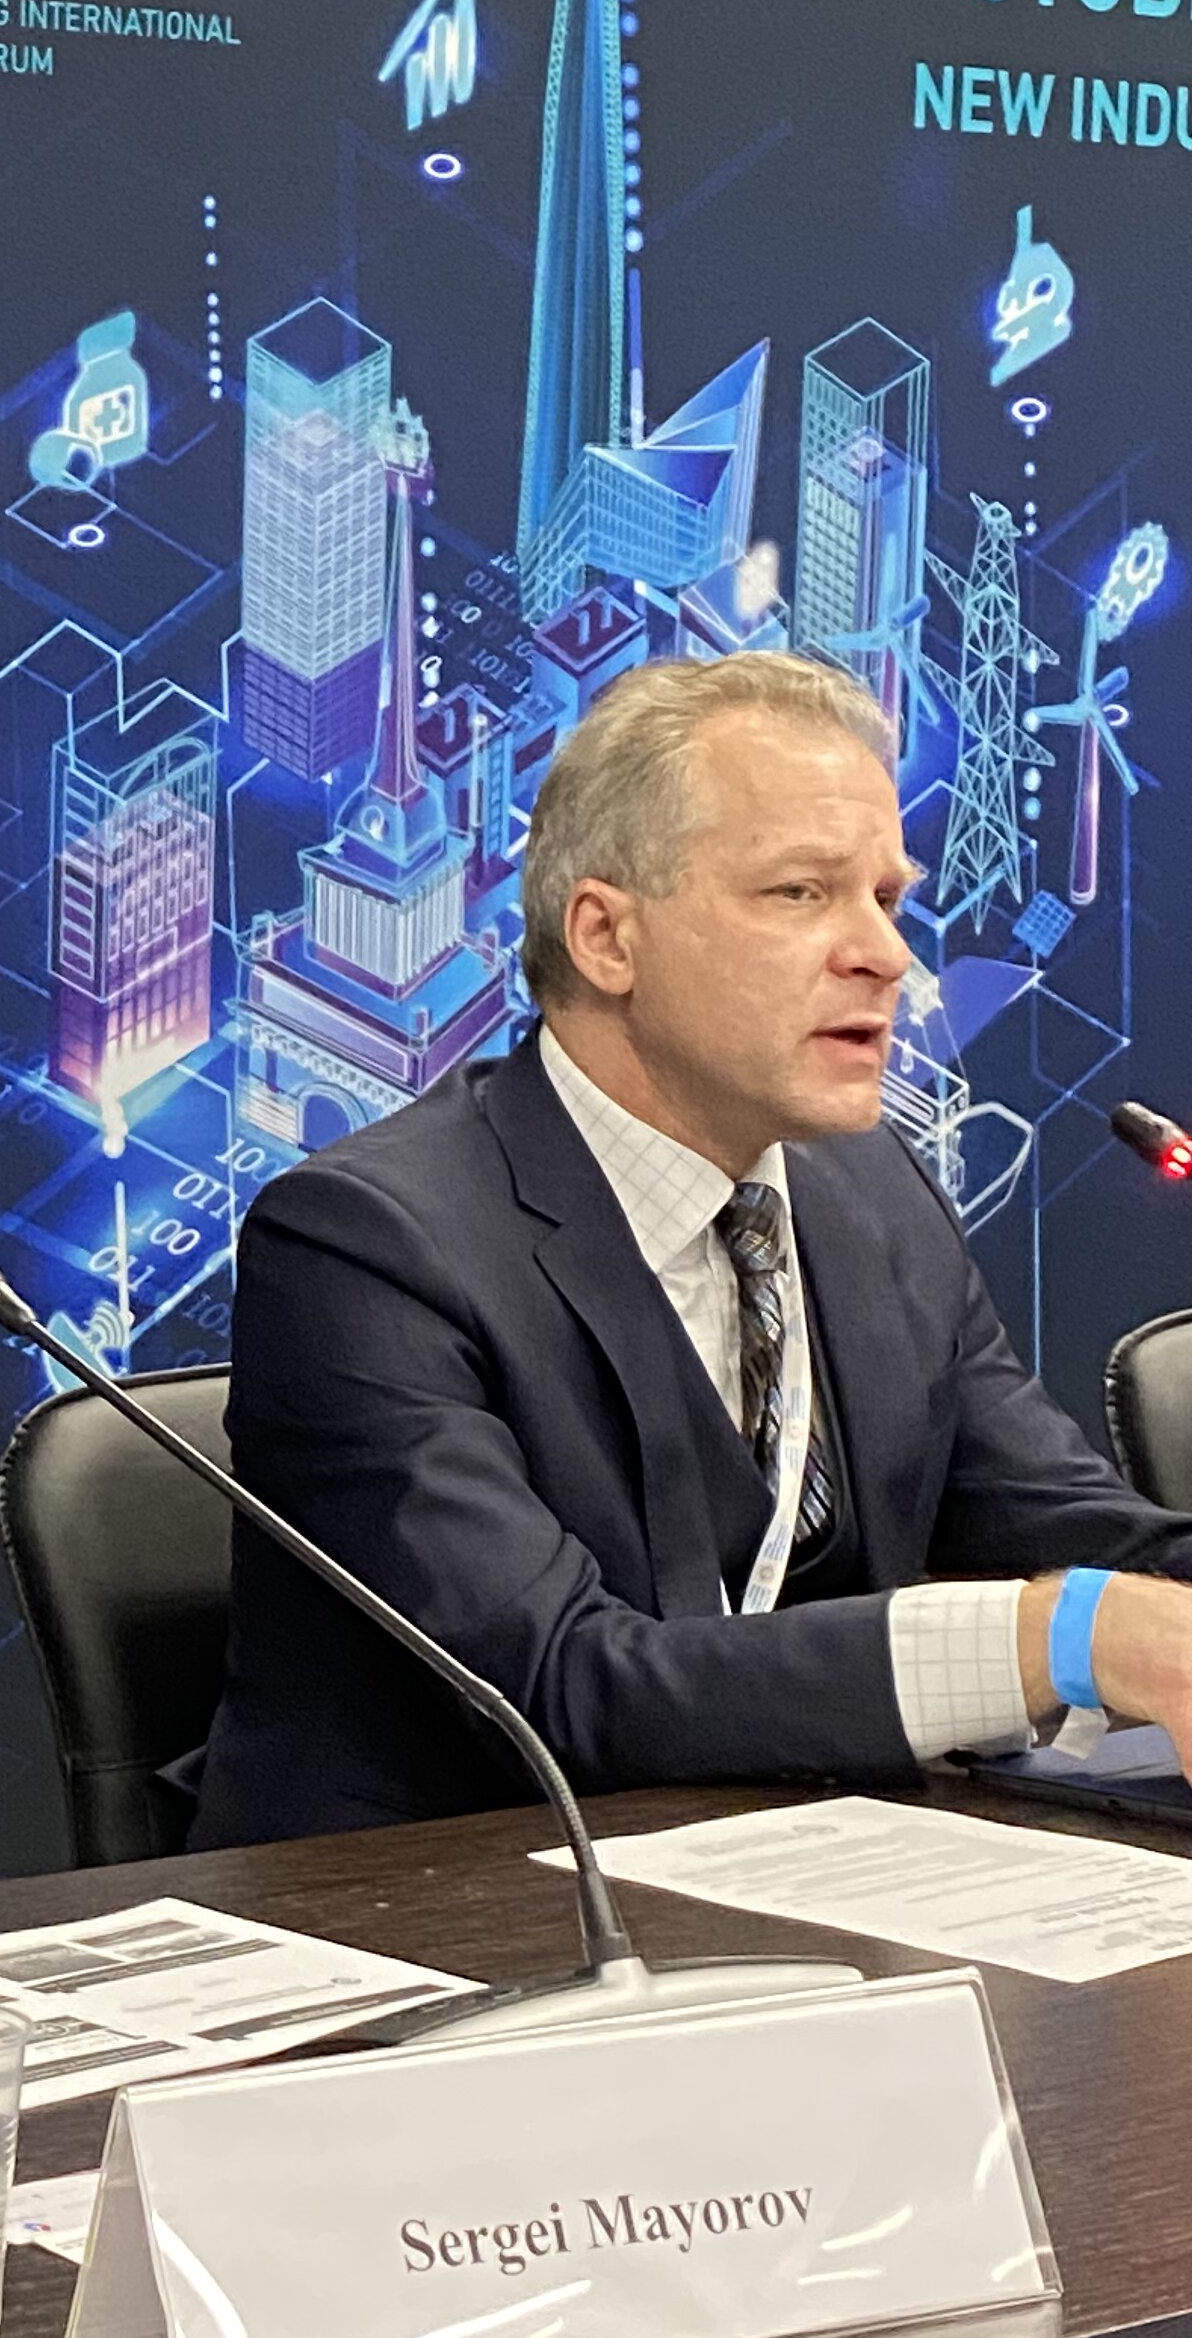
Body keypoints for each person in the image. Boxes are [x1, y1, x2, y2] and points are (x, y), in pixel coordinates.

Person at [189, 649, 1192, 1845]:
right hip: (446, 1910)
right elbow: (563, 1687)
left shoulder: (870, 1192)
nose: (886, 955)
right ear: (607, 938)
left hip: (812, 1877)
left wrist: (1126, 1610)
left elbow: (1082, 1541)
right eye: (802, 893)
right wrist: (1048, 1639)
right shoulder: (365, 1246)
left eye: (887, 898)